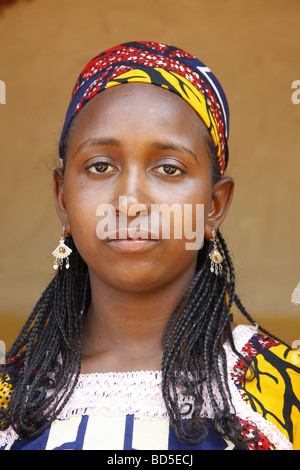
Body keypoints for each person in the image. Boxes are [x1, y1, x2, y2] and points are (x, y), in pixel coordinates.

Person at [0, 41, 299, 451]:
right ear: (63, 198)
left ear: (214, 206)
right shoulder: (11, 402)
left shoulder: (284, 393)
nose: (131, 202)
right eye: (100, 166)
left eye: (169, 169)